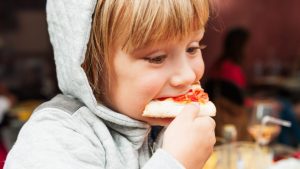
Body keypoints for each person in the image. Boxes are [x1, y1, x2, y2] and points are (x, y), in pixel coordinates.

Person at [4, 0, 216, 169]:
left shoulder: (155, 128)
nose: (187, 76)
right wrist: (174, 163)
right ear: (88, 66)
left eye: (192, 48)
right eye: (157, 58)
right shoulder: (54, 137)